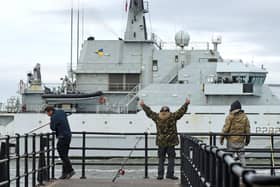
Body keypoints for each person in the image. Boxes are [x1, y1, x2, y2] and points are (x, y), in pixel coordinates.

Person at [140, 98, 190, 180]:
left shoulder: (157, 117)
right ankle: (170, 174)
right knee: (171, 159)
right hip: (171, 142)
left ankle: (160, 175)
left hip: (161, 142)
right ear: (168, 111)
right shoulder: (172, 116)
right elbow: (181, 111)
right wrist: (186, 104)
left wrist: (143, 105)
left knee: (161, 159)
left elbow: (149, 112)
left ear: (160, 111)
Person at [45, 106, 75, 179]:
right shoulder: (61, 112)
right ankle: (65, 173)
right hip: (68, 135)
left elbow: (53, 128)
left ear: (50, 111)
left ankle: (70, 170)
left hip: (62, 137)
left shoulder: (53, 117)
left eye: (47, 113)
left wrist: (51, 122)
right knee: (65, 154)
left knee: (62, 153)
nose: (47, 115)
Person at [220, 100, 250, 166]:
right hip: (241, 141)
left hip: (231, 141)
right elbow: (247, 130)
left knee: (230, 158)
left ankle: (231, 174)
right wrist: (247, 141)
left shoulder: (230, 117)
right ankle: (244, 173)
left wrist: (221, 139)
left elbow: (225, 129)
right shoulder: (245, 117)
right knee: (242, 157)